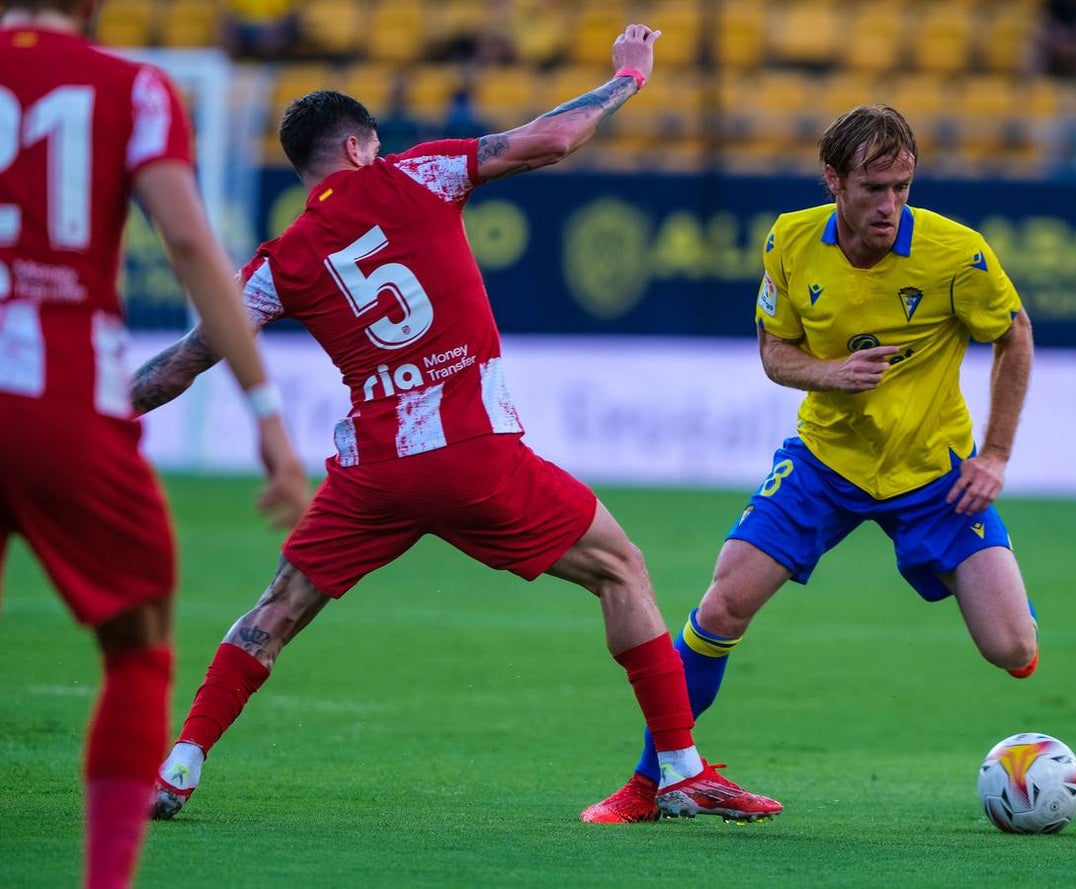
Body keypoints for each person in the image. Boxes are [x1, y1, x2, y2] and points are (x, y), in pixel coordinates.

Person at [134, 24, 783, 826]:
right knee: (621, 569)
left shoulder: (281, 261)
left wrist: (89, 414)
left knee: (280, 604)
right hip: (476, 456)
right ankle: (680, 769)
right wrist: (628, 76)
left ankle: (180, 762)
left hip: (376, 473)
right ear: (363, 145)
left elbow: (183, 363)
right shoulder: (421, 173)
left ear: (306, 169)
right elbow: (555, 137)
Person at [581, 103, 1038, 824]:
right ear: (833, 180)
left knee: (1013, 647)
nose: (890, 205)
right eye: (872, 188)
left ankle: (994, 588)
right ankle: (654, 780)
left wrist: (997, 453)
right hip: (824, 462)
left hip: (931, 472)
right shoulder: (790, 241)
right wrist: (832, 374)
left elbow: (1014, 336)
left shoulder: (958, 252)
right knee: (722, 604)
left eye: (902, 186)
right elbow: (774, 352)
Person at [0, 2, 310, 887]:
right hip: (60, 396)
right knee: (138, 643)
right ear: (93, 7)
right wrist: (266, 414)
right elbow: (186, 241)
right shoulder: (132, 87)